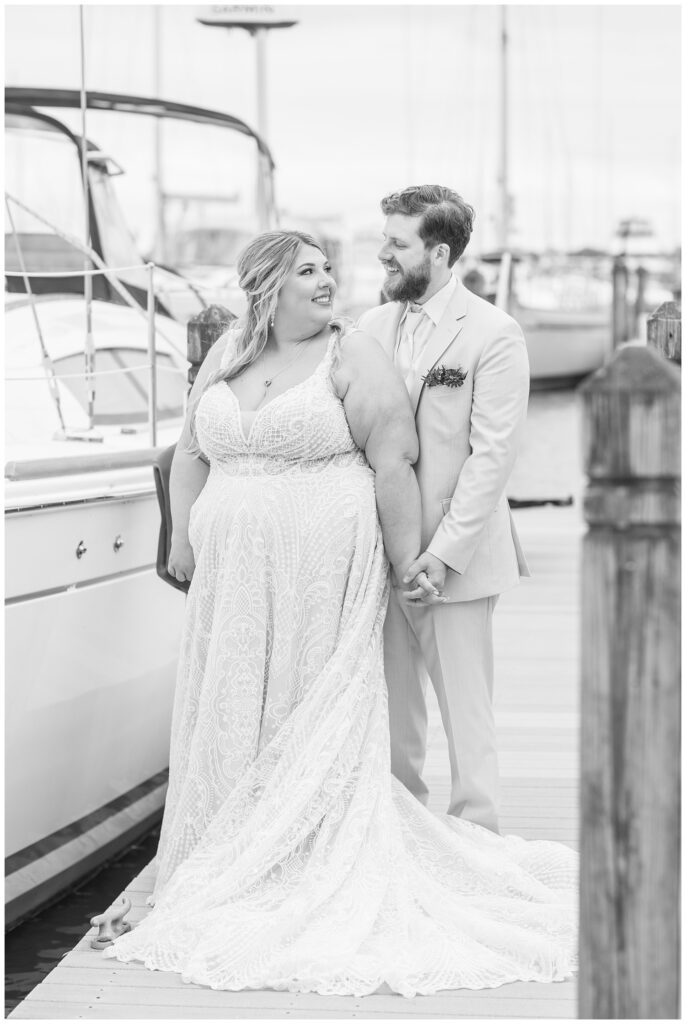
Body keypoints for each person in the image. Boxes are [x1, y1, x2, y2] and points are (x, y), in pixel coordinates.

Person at [106, 230, 576, 996]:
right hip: (232, 581)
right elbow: (191, 450)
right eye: (309, 271)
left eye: (331, 268)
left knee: (309, 706)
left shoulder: (353, 354)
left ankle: (352, 840)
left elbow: (394, 463)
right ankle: (224, 845)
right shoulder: (229, 347)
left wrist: (406, 564)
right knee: (231, 708)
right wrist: (187, 535)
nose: (329, 281)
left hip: (324, 571)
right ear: (266, 287)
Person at [358, 185, 530, 834]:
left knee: (467, 721)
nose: (384, 254)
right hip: (382, 557)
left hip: (454, 564)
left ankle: (477, 853)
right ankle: (403, 850)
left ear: (437, 250)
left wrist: (441, 553)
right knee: (395, 720)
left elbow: (492, 460)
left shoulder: (494, 333)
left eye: (396, 244)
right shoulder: (371, 327)